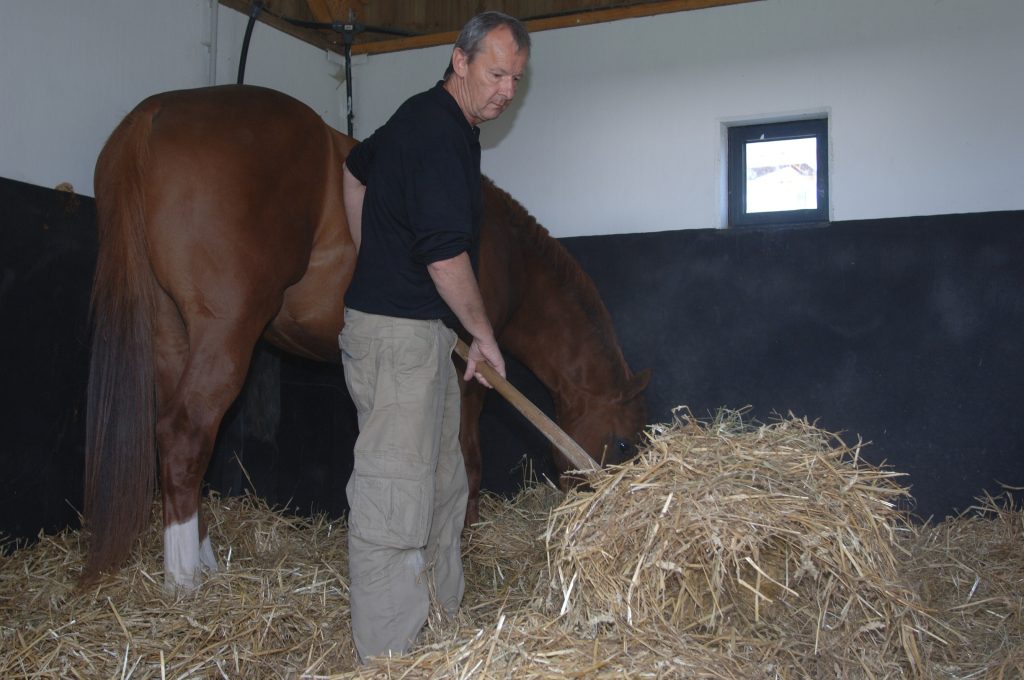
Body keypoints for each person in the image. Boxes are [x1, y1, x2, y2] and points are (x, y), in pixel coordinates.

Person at [338, 11, 530, 661]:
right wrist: (485, 335)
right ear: (460, 60)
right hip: (398, 340)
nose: (506, 89)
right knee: (395, 498)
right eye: (496, 72)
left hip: (425, 335)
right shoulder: (440, 133)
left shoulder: (433, 120)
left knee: (443, 485)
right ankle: (390, 659)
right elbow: (446, 258)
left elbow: (355, 171)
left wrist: (375, 254)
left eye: (516, 79)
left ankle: (439, 631)